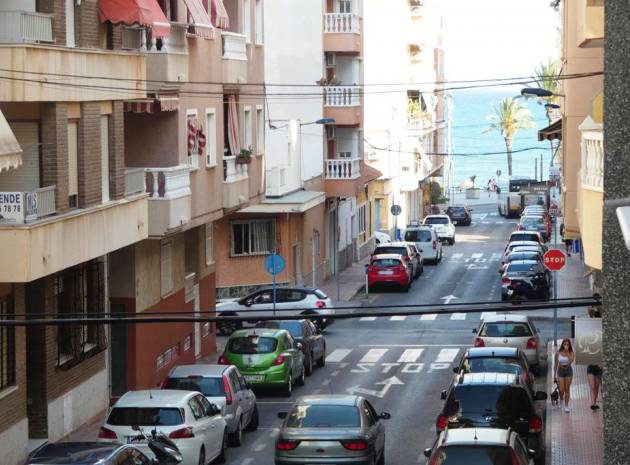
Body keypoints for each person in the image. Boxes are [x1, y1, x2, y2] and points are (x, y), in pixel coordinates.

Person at [554, 338, 575, 412]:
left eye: (567, 344)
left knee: (567, 388)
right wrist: (554, 375)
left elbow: (570, 361)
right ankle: (561, 399)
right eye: (565, 344)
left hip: (568, 371)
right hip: (560, 371)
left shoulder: (571, 352)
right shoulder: (558, 353)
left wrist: (567, 352)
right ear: (562, 345)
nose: (566, 346)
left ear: (569, 345)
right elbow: (556, 364)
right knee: (561, 388)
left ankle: (566, 406)